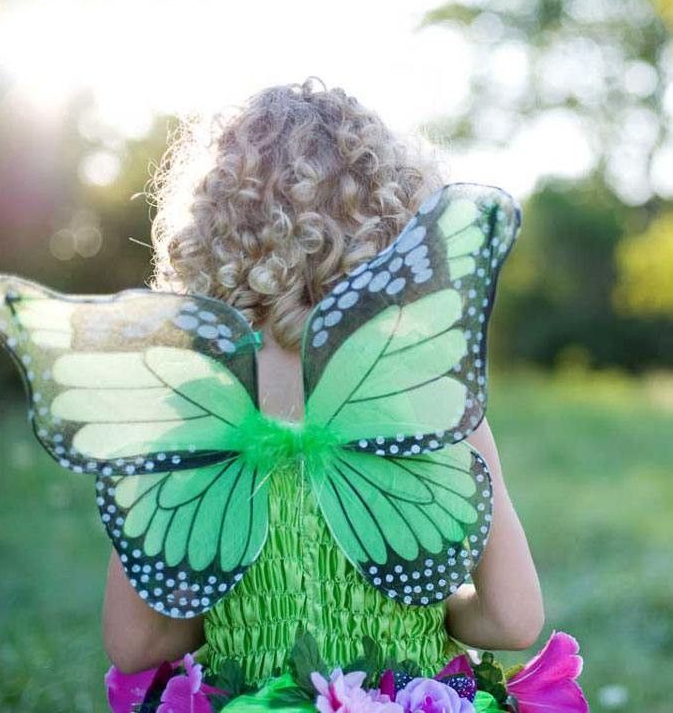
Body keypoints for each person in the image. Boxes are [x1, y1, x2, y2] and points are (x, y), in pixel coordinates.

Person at [100, 76, 545, 690]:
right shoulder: (427, 392)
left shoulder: (191, 402)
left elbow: (135, 643)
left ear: (213, 224)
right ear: (394, 220)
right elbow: (513, 619)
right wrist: (432, 610)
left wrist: (247, 625)